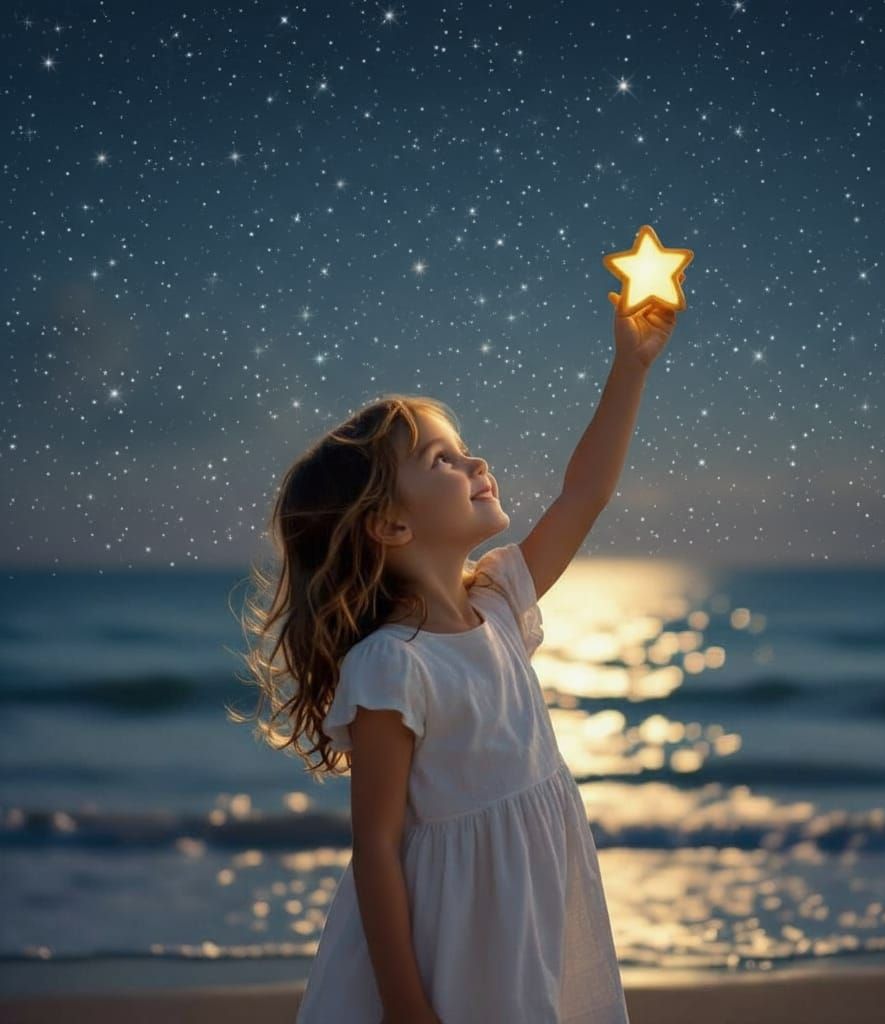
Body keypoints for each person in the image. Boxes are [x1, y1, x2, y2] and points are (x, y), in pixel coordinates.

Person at [237, 292, 677, 1023]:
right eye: (442, 459)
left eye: (462, 446)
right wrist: (409, 1009)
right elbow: (376, 850)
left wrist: (630, 366)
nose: (475, 460)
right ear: (388, 523)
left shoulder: (502, 600)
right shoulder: (391, 666)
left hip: (529, 915)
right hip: (455, 939)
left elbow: (585, 493)